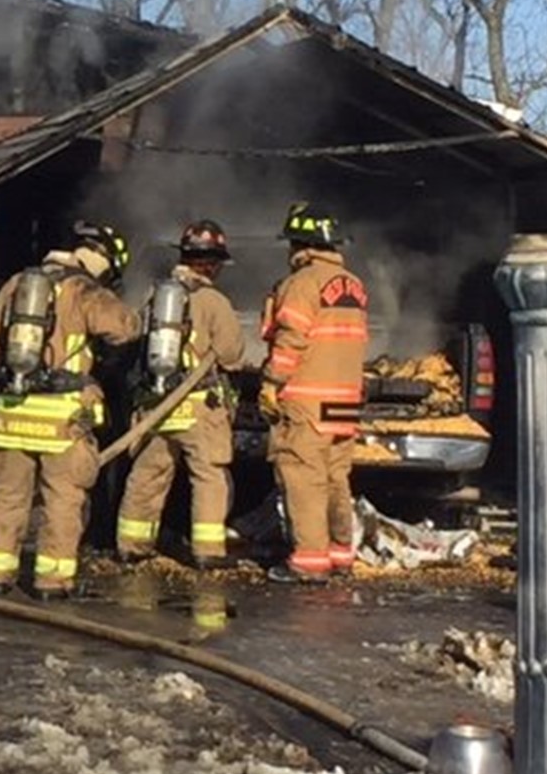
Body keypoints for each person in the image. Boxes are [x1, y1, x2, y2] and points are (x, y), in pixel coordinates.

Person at [0, 221, 142, 598]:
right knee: (63, 502)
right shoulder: (84, 290)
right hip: (60, 419)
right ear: (103, 259)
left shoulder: (16, 284)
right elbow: (125, 329)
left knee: (6, 497)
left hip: (11, 412)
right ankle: (52, 582)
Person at [118, 220, 246, 569]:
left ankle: (132, 545)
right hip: (199, 408)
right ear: (215, 263)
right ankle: (207, 552)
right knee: (208, 477)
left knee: (148, 475)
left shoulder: (155, 297)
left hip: (157, 405)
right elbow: (232, 355)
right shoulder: (214, 301)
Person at [259, 202, 369, 584]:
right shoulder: (353, 285)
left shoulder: (301, 284)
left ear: (302, 246)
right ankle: (341, 554)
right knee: (336, 476)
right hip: (344, 399)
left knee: (304, 476)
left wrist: (272, 383)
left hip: (306, 398)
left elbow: (291, 339)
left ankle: (309, 561)